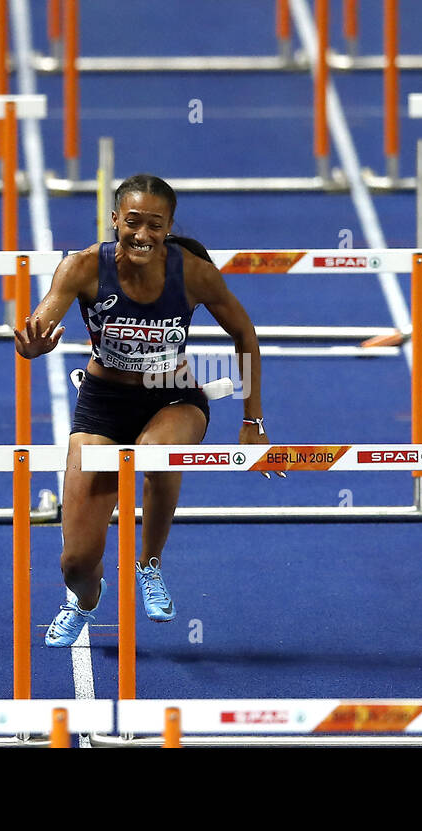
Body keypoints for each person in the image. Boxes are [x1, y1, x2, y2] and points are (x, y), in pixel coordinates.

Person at [15, 174, 274, 647]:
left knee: (155, 453)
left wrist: (252, 420)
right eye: (132, 222)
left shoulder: (192, 272)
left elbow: (245, 335)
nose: (142, 234)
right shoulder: (83, 268)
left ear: (169, 226)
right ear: (115, 219)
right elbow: (42, 319)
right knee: (75, 561)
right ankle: (84, 600)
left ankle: (149, 565)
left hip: (172, 395)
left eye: (155, 225)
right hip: (103, 404)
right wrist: (33, 347)